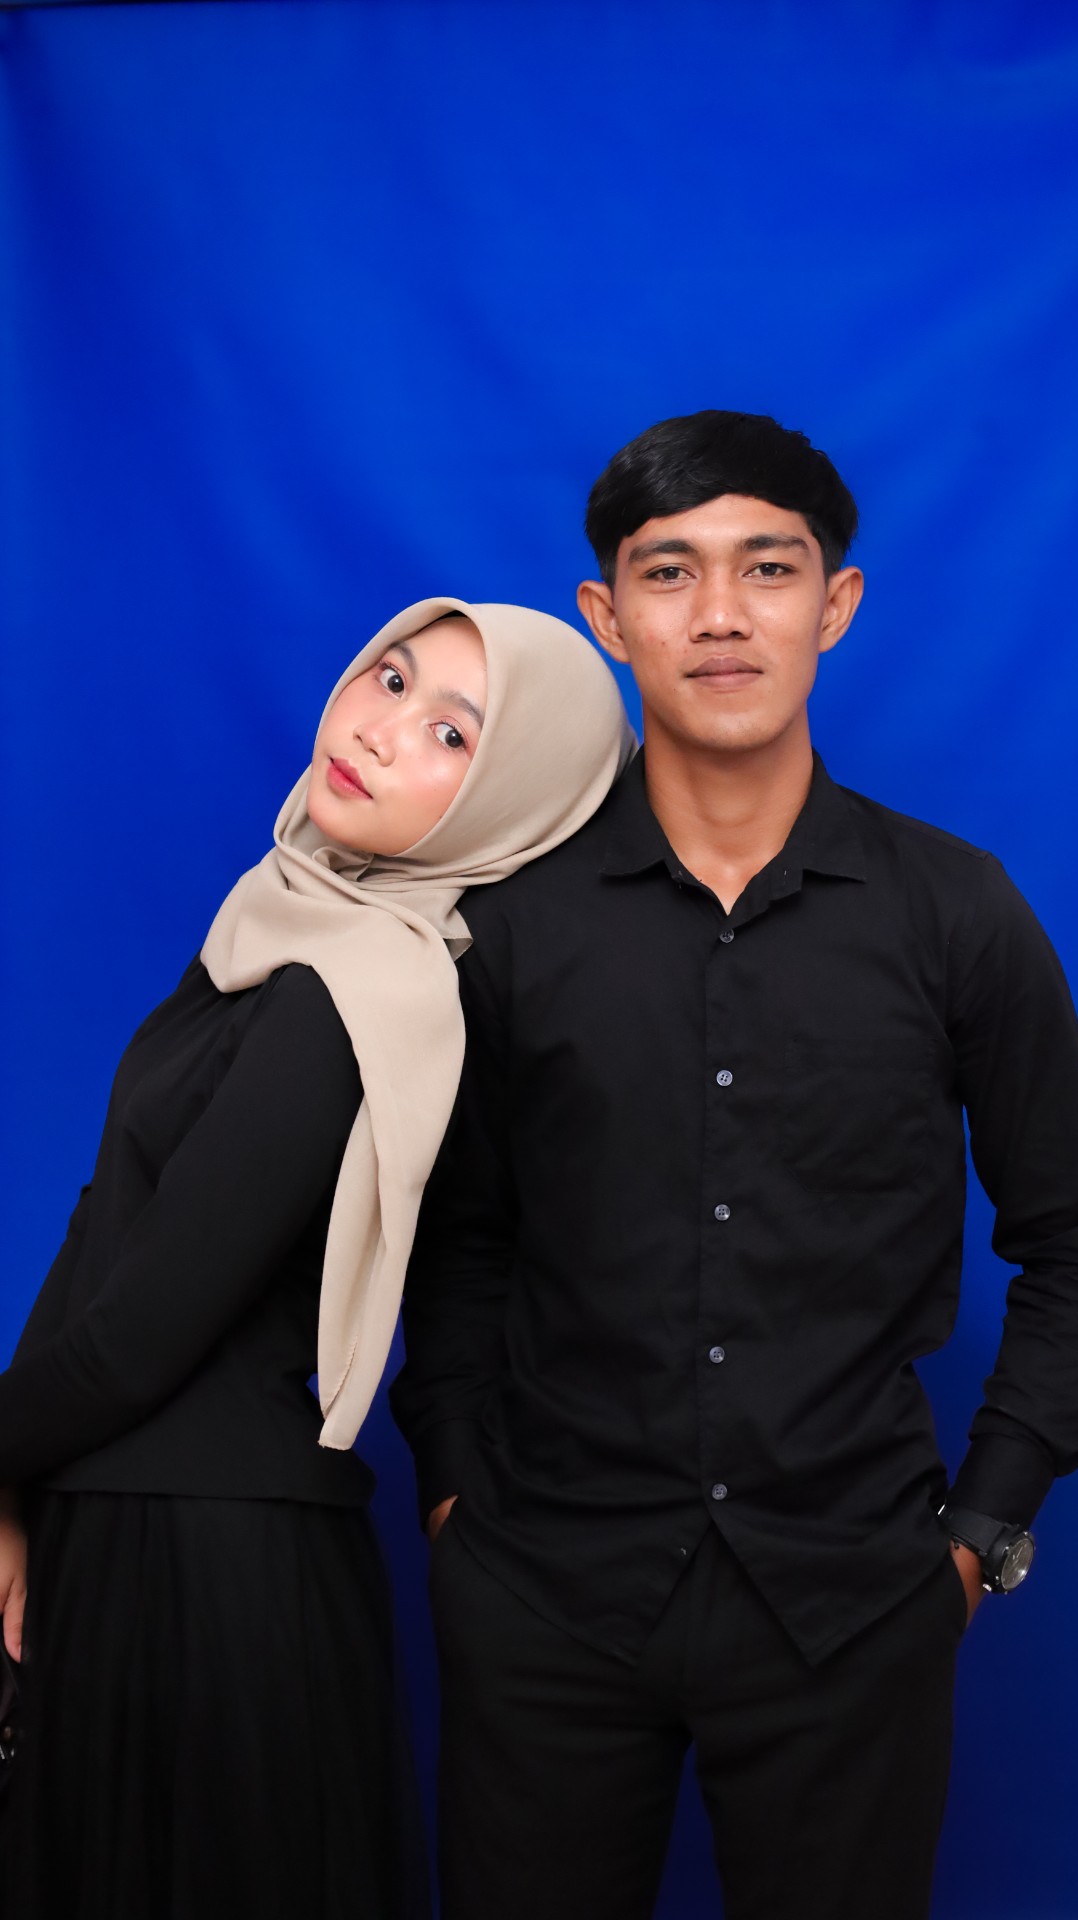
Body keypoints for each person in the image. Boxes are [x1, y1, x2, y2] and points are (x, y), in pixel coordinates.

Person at [390, 413, 1078, 1920]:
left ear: (835, 605)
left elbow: (1077, 1241)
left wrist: (978, 1534)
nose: (721, 614)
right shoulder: (508, 923)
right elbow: (456, 1233)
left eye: (768, 569)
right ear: (607, 616)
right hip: (545, 1596)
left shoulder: (956, 912)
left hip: (856, 1604)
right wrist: (458, 1497)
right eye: (669, 572)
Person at [0, 596, 632, 1920]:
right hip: (126, 1515)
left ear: (508, 803)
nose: (383, 729)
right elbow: (103, 1225)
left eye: (453, 733)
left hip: (206, 1565)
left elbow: (147, 1325)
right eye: (390, 678)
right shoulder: (281, 927)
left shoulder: (360, 994)